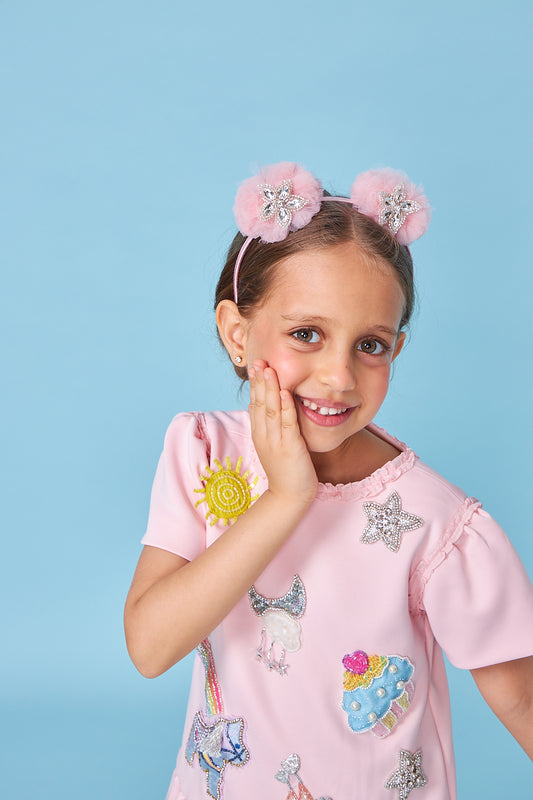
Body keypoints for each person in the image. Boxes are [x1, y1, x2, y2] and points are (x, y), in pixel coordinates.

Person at [124, 162, 533, 800]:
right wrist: (286, 498)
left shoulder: (435, 524)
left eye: (370, 345)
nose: (339, 377)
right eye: (306, 334)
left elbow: (522, 699)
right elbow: (150, 647)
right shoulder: (204, 453)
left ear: (396, 350)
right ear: (237, 333)